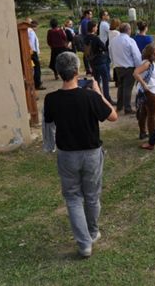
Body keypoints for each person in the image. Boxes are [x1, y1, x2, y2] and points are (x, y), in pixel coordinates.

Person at [42, 51, 118, 258]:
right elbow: (113, 116)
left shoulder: (51, 100)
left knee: (73, 198)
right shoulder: (90, 97)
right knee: (92, 196)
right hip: (91, 153)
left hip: (67, 155)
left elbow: (49, 123)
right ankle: (92, 233)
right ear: (77, 71)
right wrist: (99, 92)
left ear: (59, 71)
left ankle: (84, 244)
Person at [109, 23, 143, 115]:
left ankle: (119, 106)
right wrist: (139, 66)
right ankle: (127, 108)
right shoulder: (130, 40)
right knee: (127, 88)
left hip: (118, 67)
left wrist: (114, 63)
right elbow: (136, 55)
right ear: (128, 30)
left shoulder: (114, 40)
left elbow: (110, 52)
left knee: (121, 87)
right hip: (129, 67)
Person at [133, 44, 155, 140]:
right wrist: (144, 84)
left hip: (144, 91)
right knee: (152, 114)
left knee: (143, 113)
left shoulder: (147, 62)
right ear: (150, 54)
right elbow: (135, 73)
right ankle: (153, 135)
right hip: (149, 91)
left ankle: (143, 132)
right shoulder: (147, 63)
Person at [83, 21, 112, 102]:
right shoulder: (95, 38)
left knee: (96, 80)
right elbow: (104, 47)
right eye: (96, 27)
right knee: (105, 80)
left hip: (92, 62)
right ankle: (107, 97)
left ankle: (98, 97)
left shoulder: (85, 38)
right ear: (93, 28)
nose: (97, 28)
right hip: (99, 61)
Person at [28, 19, 44, 90]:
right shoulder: (31, 32)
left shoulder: (29, 31)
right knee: (37, 68)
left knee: (34, 68)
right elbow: (31, 43)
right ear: (35, 26)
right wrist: (34, 52)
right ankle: (37, 83)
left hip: (32, 52)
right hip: (33, 52)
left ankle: (36, 82)